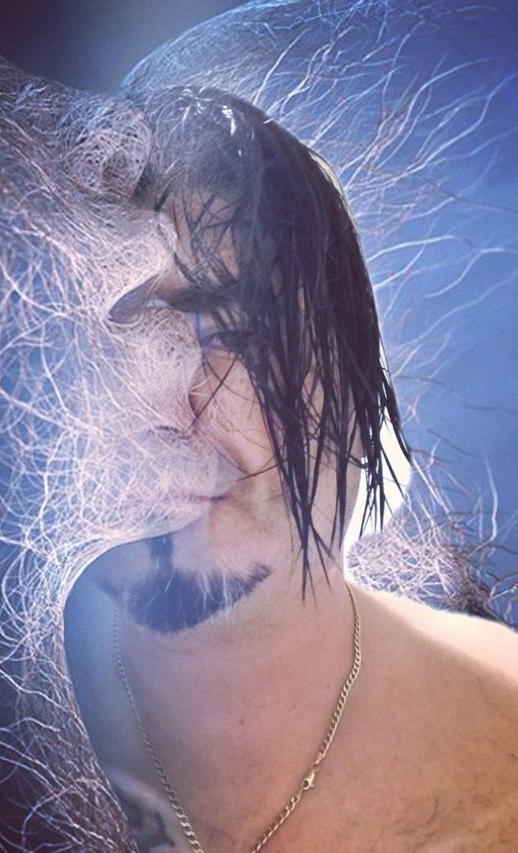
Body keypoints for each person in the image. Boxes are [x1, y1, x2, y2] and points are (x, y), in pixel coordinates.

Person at [64, 88, 518, 852]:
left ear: (348, 374)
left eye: (231, 330)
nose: (166, 408)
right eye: (112, 337)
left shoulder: (499, 737)